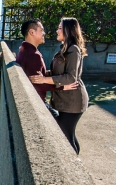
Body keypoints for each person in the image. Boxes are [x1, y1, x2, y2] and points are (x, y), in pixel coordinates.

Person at [30, 17, 89, 154]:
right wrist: (42, 75)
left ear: (68, 30)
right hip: (64, 100)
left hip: (73, 101)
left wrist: (45, 80)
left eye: (60, 28)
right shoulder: (64, 49)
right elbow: (58, 72)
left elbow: (71, 77)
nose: (57, 30)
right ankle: (76, 160)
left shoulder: (73, 50)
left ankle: (74, 166)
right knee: (69, 133)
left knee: (65, 135)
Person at [16, 18, 76, 115]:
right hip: (37, 102)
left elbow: (37, 76)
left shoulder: (24, 50)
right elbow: (36, 83)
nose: (44, 33)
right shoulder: (33, 55)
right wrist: (62, 87)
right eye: (41, 30)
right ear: (32, 32)